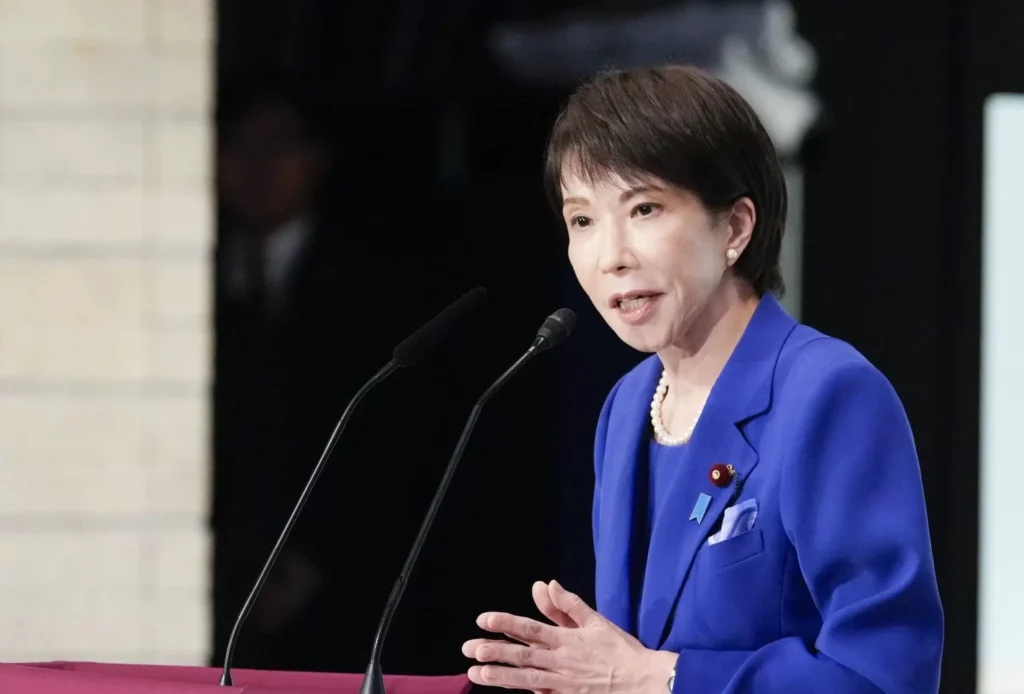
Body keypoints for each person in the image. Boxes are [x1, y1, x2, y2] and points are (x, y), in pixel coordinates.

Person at [462, 66, 943, 693]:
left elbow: (884, 676)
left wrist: (660, 678)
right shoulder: (628, 406)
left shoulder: (828, 394)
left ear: (735, 228)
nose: (611, 256)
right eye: (582, 220)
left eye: (644, 209)